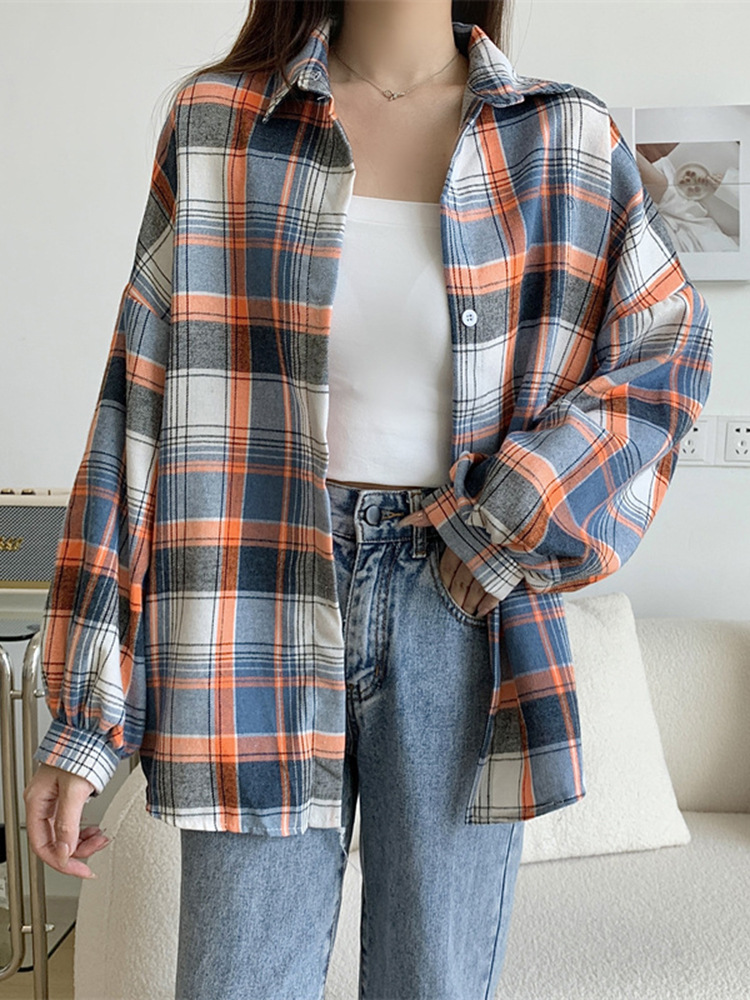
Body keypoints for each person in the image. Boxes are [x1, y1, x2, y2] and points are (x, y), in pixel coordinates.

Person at [24, 1, 713, 998]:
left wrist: (507, 520)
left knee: (434, 982)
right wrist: (86, 721)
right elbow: (139, 407)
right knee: (236, 983)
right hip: (250, 603)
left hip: (459, 610)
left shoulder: (564, 139)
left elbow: (667, 356)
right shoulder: (219, 126)